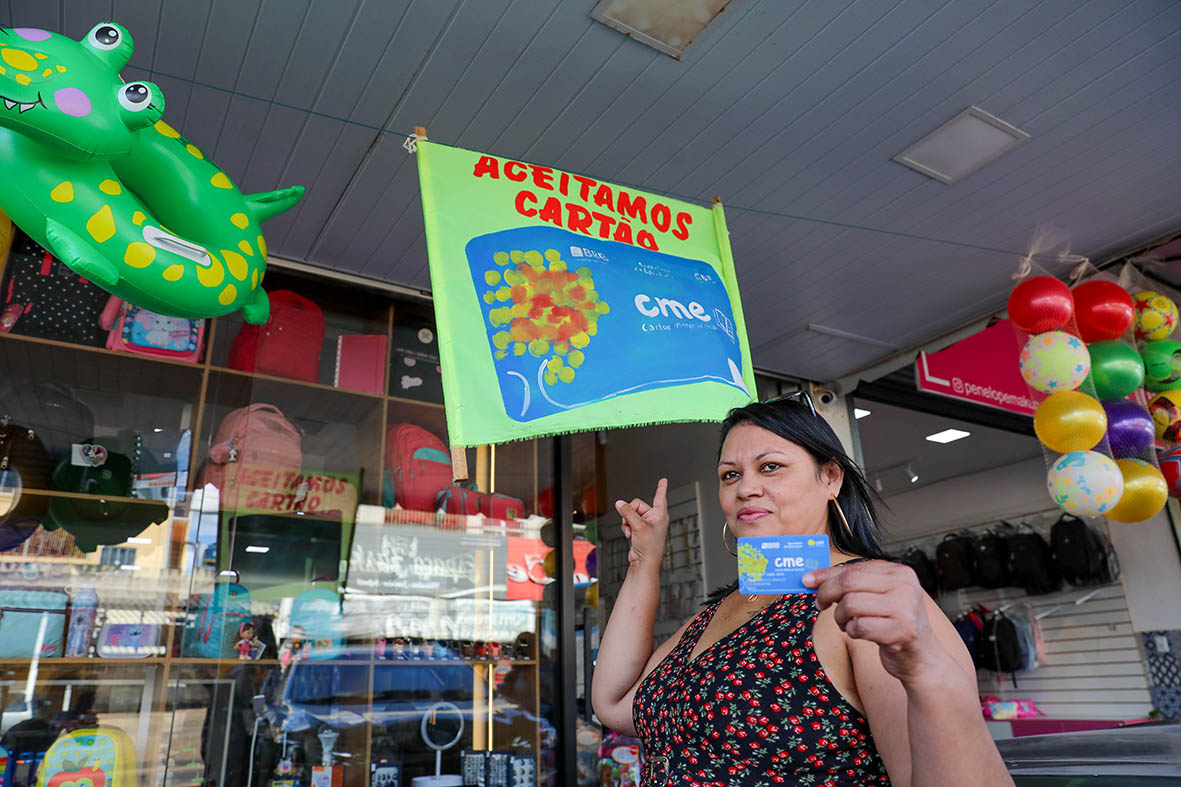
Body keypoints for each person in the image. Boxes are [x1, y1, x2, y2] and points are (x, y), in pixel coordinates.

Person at [591, 396, 1013, 786]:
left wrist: (925, 666)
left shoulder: (865, 603)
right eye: (730, 475)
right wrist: (644, 560)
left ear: (830, 477)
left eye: (770, 466)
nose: (745, 488)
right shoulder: (725, 606)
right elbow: (613, 705)